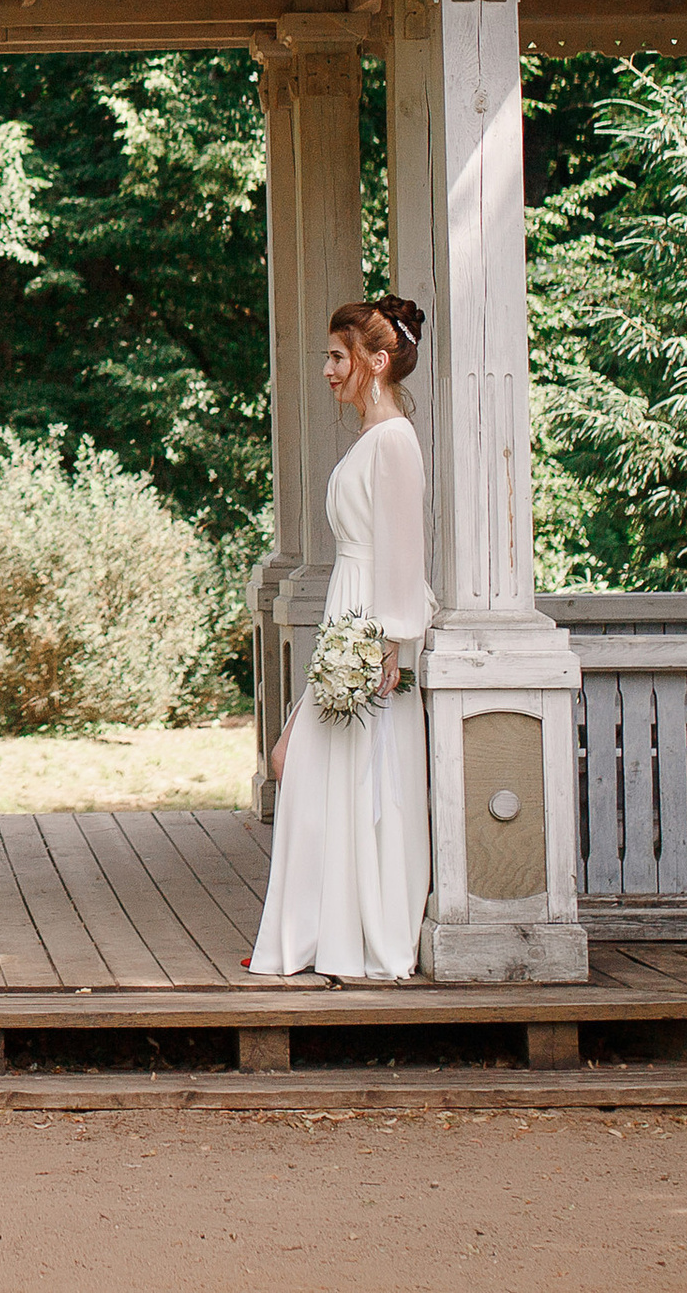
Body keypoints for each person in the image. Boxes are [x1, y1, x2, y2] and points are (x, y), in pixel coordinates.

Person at [249, 295, 434, 981]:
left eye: (337, 356)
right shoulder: (372, 438)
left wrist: (389, 643)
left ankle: (364, 932)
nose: (327, 370)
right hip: (348, 617)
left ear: (376, 362)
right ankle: (324, 930)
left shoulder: (394, 441)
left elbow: (403, 550)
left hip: (369, 626)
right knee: (298, 764)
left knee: (351, 775)